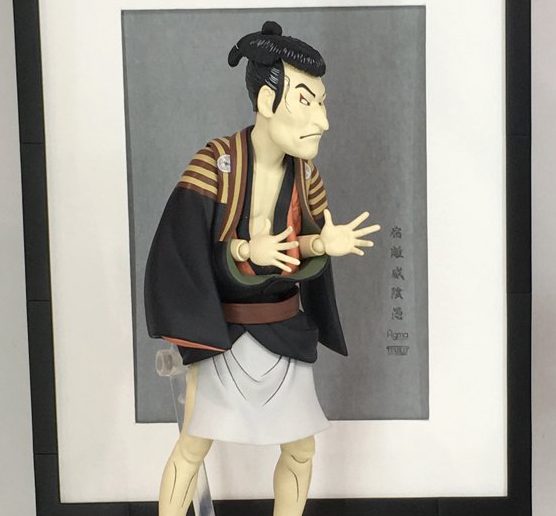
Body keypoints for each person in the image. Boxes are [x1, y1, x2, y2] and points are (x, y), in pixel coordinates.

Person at [144, 20, 380, 516]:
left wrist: (322, 242)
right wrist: (243, 252)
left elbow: (301, 246)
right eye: (306, 102)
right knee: (193, 446)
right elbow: (183, 248)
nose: (322, 121)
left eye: (322, 103)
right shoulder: (215, 163)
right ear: (268, 101)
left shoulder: (306, 175)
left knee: (300, 450)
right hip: (224, 331)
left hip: (282, 326)